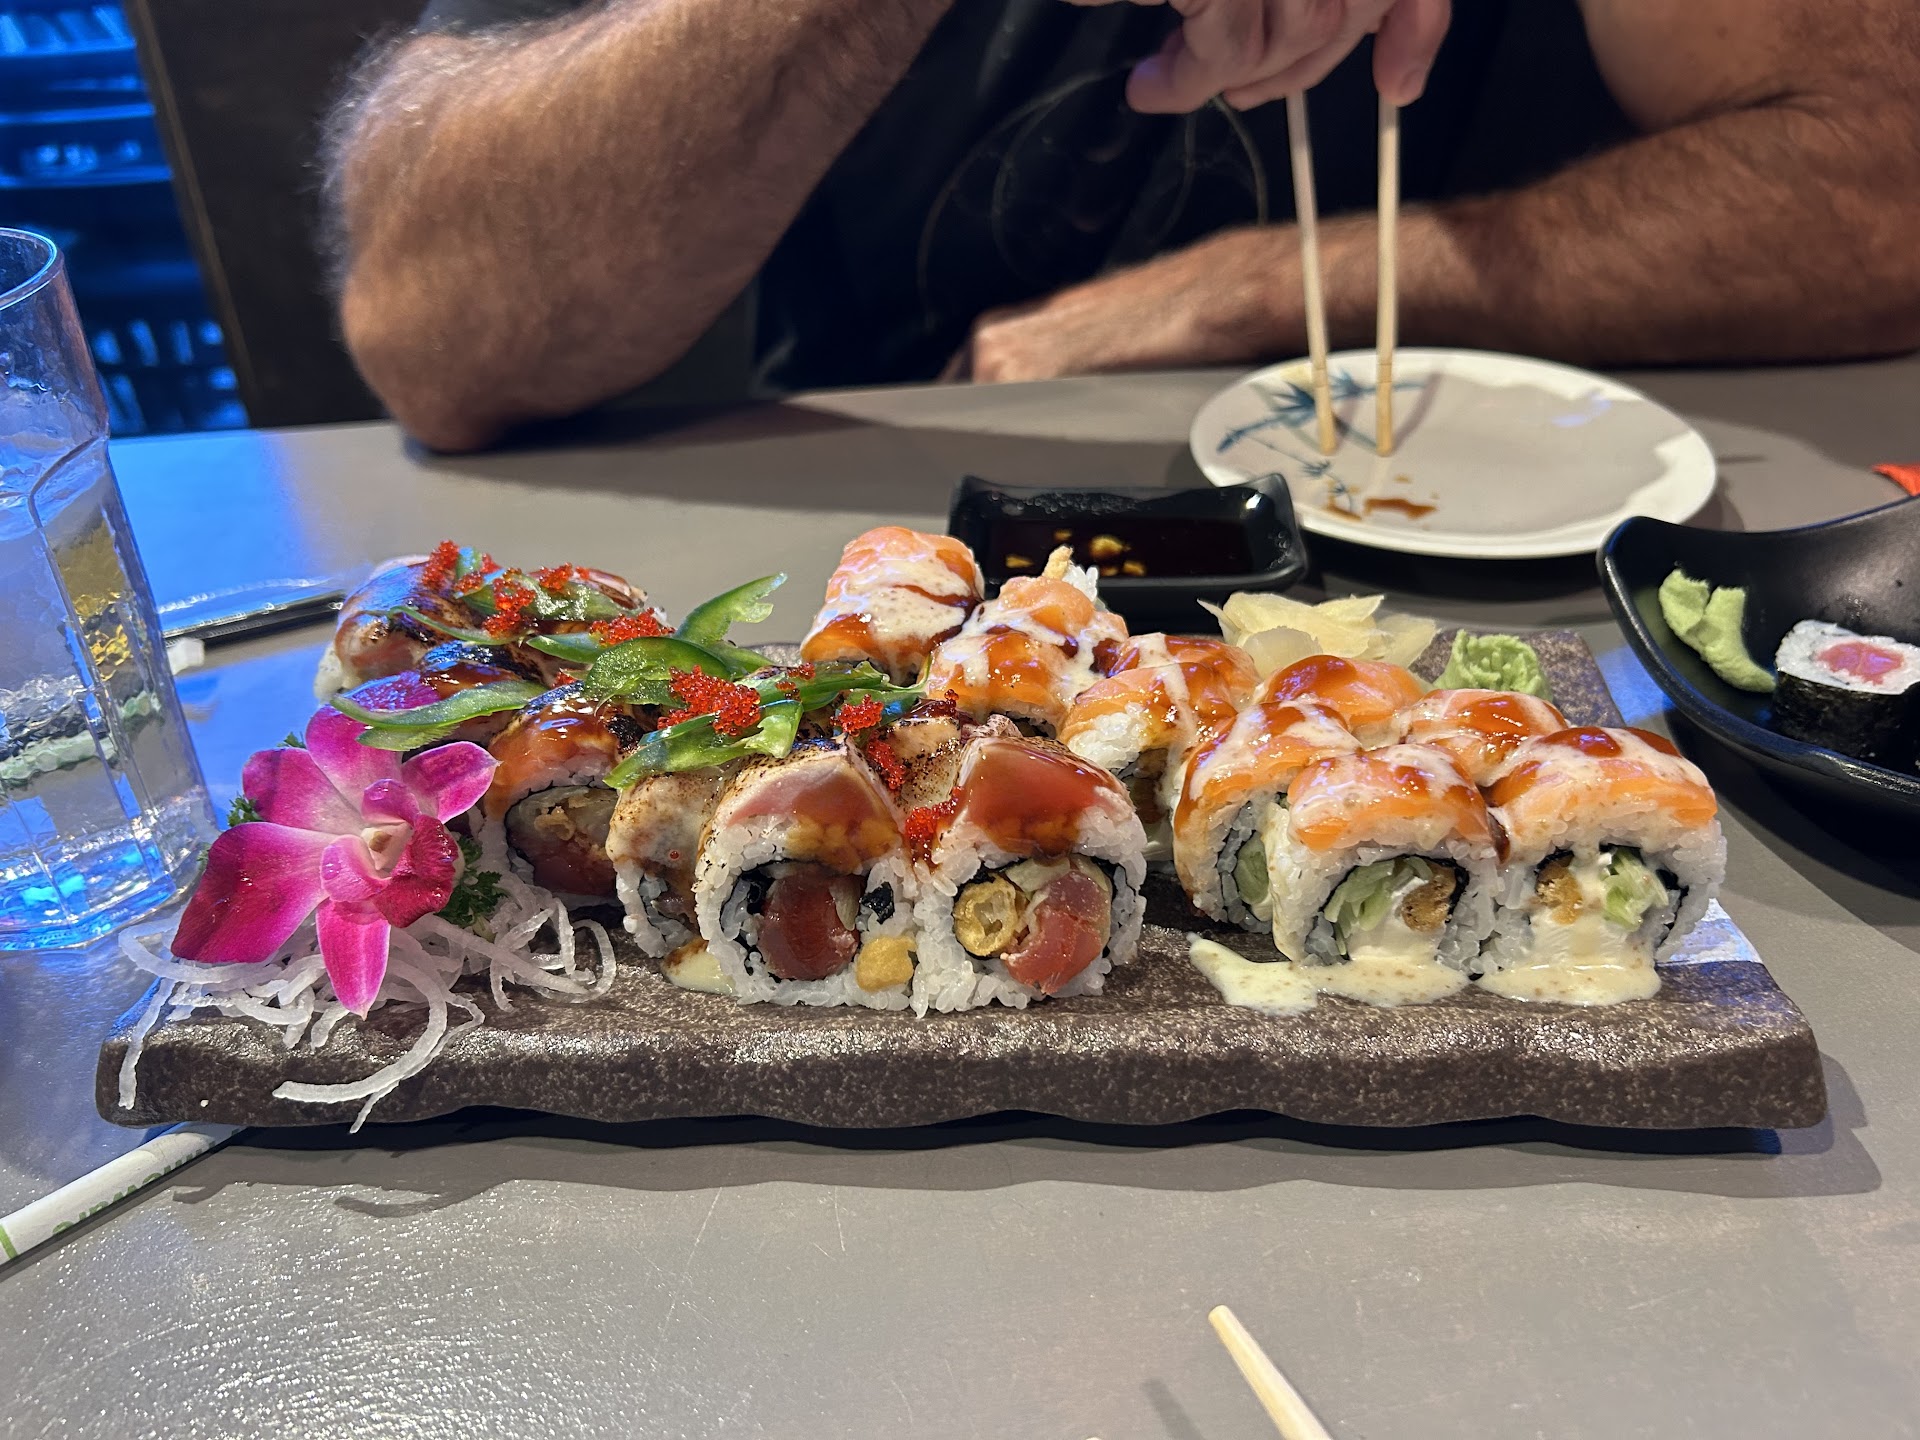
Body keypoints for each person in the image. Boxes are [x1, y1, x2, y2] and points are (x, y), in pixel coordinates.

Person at [327, 0, 1920, 452]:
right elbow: (441, 331)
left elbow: (1879, 191)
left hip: (1482, 553)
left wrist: (1258, 287)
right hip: (886, 580)